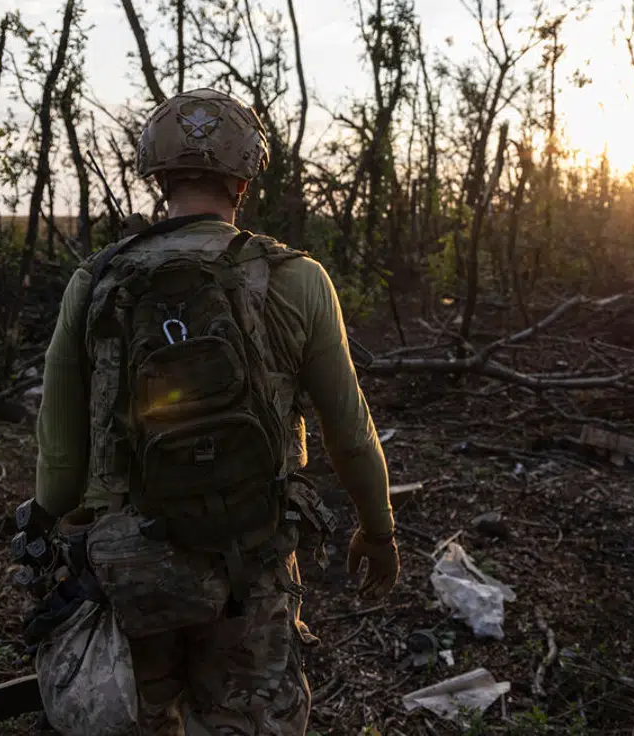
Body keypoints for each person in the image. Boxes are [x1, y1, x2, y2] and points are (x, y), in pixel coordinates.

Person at [33, 87, 398, 735]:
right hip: (249, 569)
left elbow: (60, 471)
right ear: (245, 178)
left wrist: (61, 533)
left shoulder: (96, 281)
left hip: (131, 573)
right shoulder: (298, 278)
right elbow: (351, 434)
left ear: (159, 175)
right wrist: (378, 530)